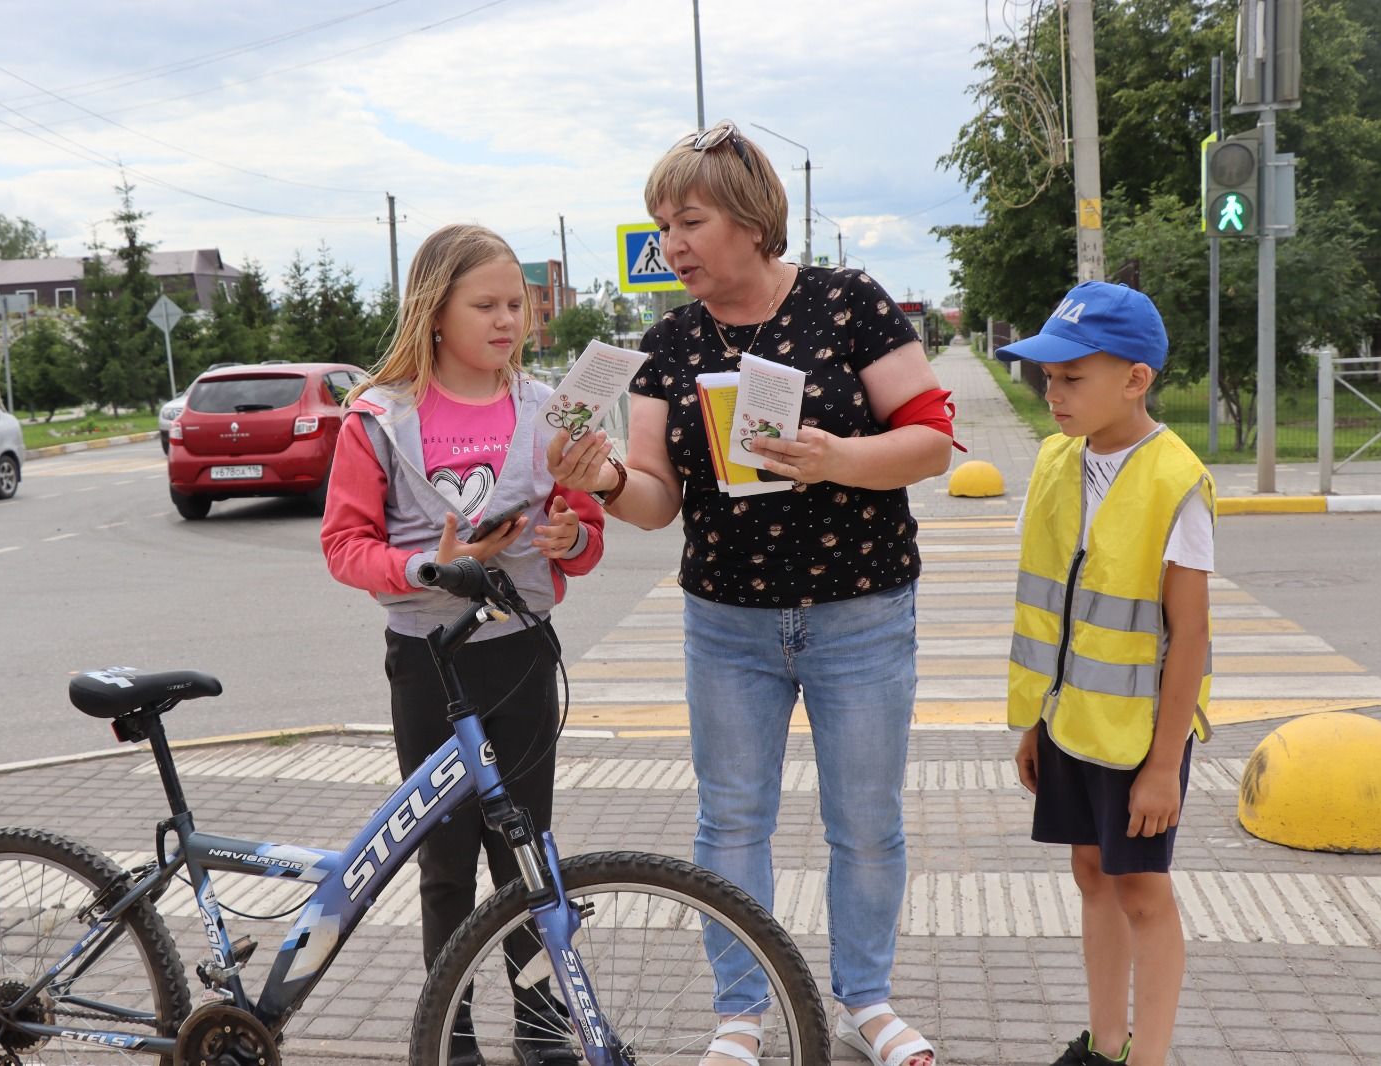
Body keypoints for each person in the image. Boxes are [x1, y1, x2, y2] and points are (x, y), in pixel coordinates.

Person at [548, 121, 960, 1066]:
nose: (671, 243)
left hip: (860, 610)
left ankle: (868, 1001)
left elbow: (934, 443)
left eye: (688, 220)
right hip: (726, 621)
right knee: (732, 819)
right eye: (660, 224)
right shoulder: (668, 340)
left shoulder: (847, 304)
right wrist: (604, 477)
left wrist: (835, 458)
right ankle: (742, 1011)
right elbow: (655, 502)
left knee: (866, 818)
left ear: (750, 216)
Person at [321, 223, 605, 1066]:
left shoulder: (552, 408)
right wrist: (428, 566)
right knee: (444, 867)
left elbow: (588, 532)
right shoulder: (380, 417)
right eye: (486, 304)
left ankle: (543, 1028)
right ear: (435, 312)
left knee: (527, 855)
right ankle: (455, 1032)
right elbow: (345, 547)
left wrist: (568, 539)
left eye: (518, 303)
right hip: (428, 663)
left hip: (520, 653)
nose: (508, 319)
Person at [997, 281, 1214, 1066]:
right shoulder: (1058, 462)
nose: (1053, 393)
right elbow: (1051, 609)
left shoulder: (1173, 480)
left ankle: (1146, 1058)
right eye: (1048, 378)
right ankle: (1105, 1045)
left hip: (1138, 741)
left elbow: (1188, 635)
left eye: (1071, 377)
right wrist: (1034, 722)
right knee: (1092, 874)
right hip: (1068, 725)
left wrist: (1164, 767)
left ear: (1135, 379)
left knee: (1143, 895)